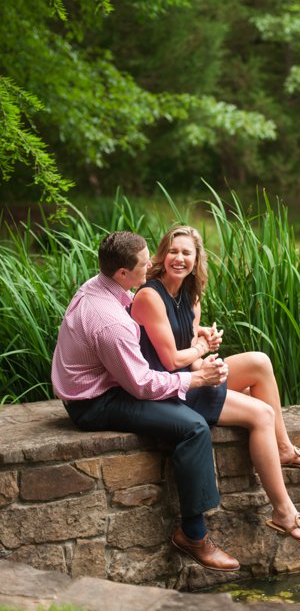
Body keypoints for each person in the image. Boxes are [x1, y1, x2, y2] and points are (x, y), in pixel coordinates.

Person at [51, 231, 240, 571]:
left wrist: (192, 336)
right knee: (194, 428)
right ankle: (194, 536)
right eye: (144, 262)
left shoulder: (102, 285)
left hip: (104, 385)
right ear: (123, 272)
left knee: (189, 407)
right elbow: (141, 385)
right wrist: (196, 378)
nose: (152, 263)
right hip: (95, 403)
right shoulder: (110, 323)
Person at [130, 225, 300, 546]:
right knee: (261, 413)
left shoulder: (191, 297)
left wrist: (210, 365)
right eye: (173, 251)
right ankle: (284, 513)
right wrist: (202, 349)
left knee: (260, 362)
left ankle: (283, 448)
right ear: (162, 255)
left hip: (190, 377)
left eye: (187, 253)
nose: (179, 258)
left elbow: (191, 359)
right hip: (166, 390)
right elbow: (171, 360)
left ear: (196, 259)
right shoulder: (150, 296)